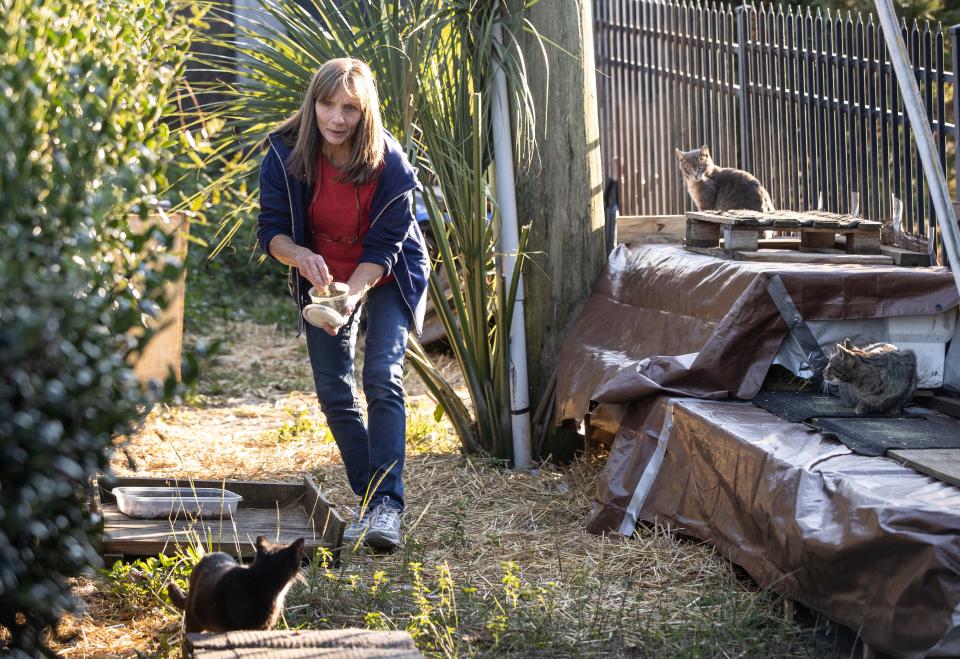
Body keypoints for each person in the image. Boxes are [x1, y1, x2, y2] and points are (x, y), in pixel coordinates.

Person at [256, 58, 429, 550]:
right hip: (322, 273)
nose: (336, 118)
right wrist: (302, 255)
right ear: (312, 103)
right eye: (327, 104)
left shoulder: (389, 163)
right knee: (334, 390)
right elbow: (272, 232)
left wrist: (354, 294)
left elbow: (383, 251)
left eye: (350, 108)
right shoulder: (284, 151)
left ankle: (388, 510)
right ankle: (373, 500)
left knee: (380, 375)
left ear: (365, 111)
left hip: (387, 273)